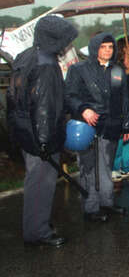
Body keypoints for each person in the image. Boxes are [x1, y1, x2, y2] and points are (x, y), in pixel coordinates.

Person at [7, 16, 78, 246]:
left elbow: (13, 97)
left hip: (26, 131)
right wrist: (46, 143)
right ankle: (38, 233)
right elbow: (45, 108)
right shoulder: (47, 64)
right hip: (40, 135)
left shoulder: (26, 56)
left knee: (34, 182)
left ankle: (36, 226)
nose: (66, 45)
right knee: (41, 184)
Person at [65, 33, 129, 222]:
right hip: (88, 127)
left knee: (106, 166)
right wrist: (83, 109)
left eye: (110, 47)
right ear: (95, 48)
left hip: (111, 126)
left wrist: (127, 126)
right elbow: (69, 95)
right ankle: (91, 208)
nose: (107, 51)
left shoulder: (117, 70)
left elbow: (125, 99)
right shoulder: (78, 70)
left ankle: (107, 203)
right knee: (89, 168)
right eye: (103, 47)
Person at [112, 37, 129, 180]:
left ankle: (127, 167)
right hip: (120, 109)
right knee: (120, 139)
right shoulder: (116, 68)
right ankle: (115, 167)